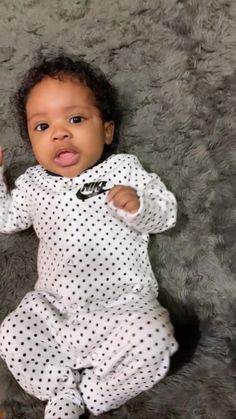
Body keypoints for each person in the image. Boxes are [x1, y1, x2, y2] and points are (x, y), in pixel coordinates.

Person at [0, 51, 178, 419]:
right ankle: (61, 391)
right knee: (12, 333)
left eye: (76, 119)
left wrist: (139, 207)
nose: (60, 132)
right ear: (31, 142)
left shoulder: (122, 169)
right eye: (41, 127)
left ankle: (96, 394)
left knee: (155, 337)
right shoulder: (32, 185)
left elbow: (166, 215)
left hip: (121, 306)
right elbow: (5, 219)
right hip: (54, 310)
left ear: (107, 131)